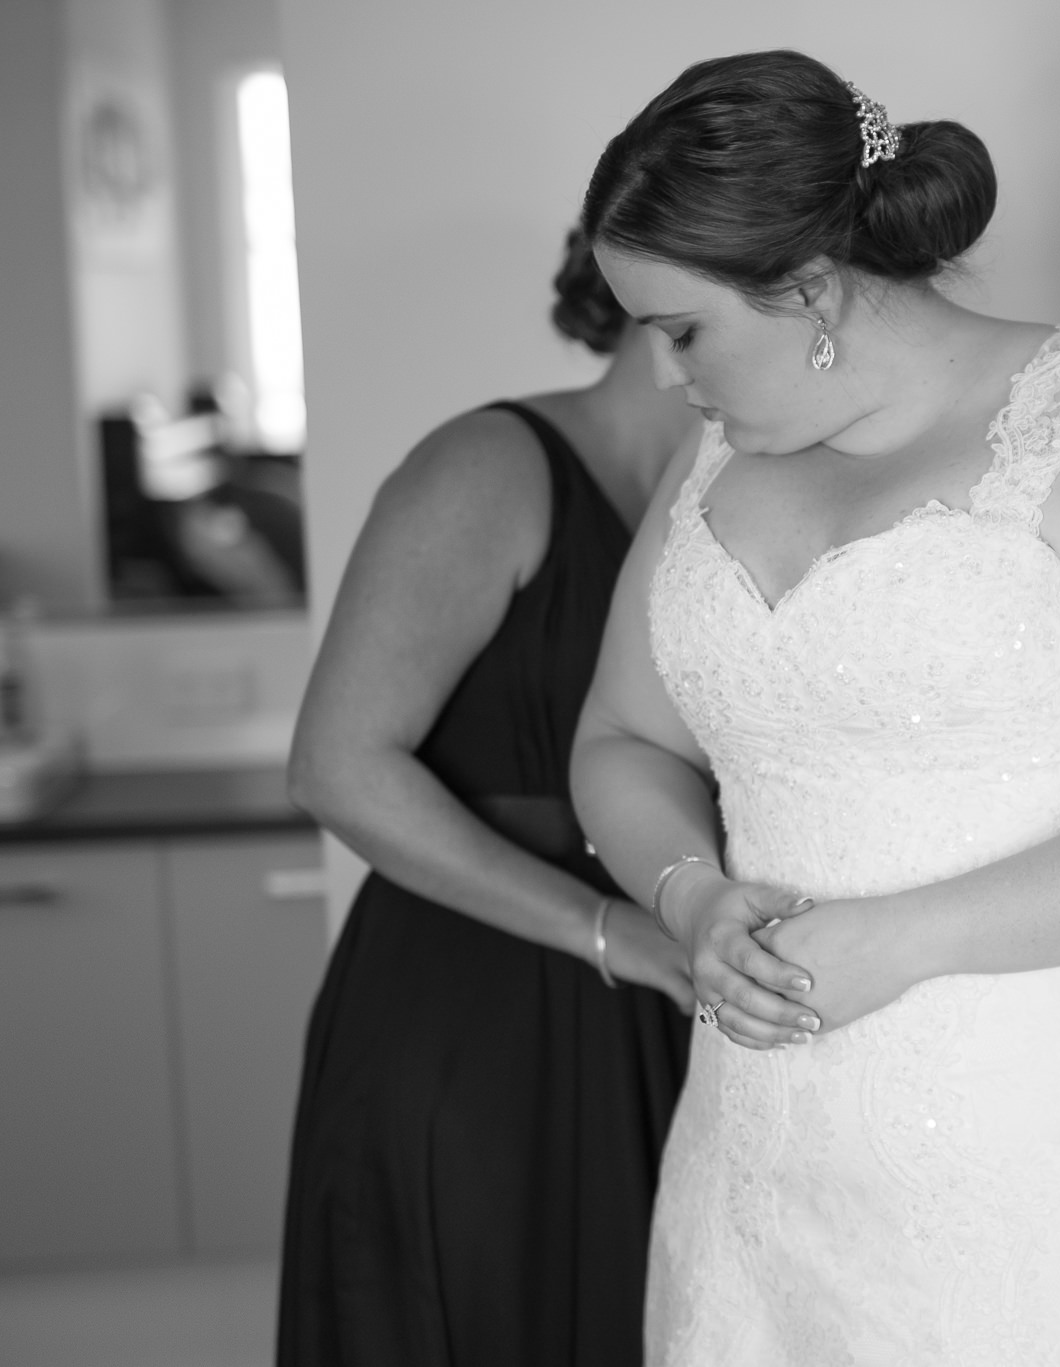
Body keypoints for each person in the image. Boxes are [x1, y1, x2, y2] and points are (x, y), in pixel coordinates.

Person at [568, 49, 1060, 1365]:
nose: (664, 376)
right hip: (778, 1167)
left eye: (681, 329)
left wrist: (907, 937)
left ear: (813, 287)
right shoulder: (712, 460)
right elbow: (621, 736)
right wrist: (688, 894)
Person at [277, 231, 700, 1366]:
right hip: (479, 996)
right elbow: (338, 763)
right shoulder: (489, 466)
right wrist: (609, 931)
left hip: (668, 980)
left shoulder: (737, 501)